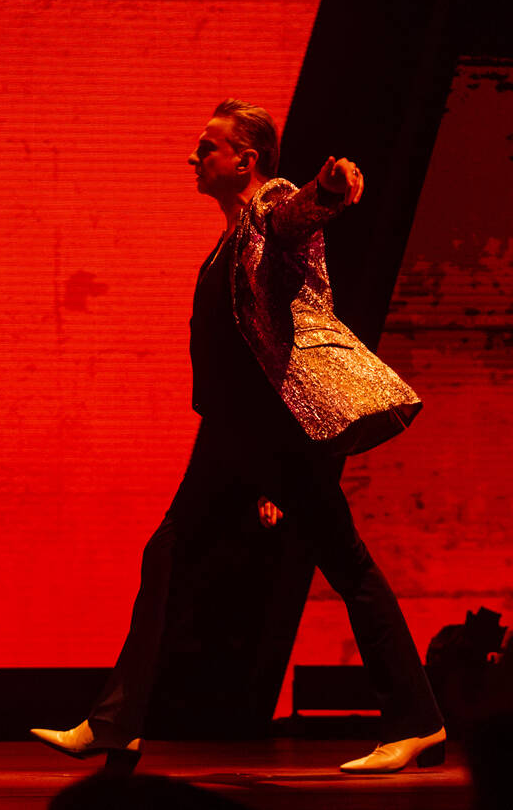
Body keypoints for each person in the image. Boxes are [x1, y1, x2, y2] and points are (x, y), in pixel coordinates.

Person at [30, 100, 444, 774]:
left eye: (207, 148)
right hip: (237, 435)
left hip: (272, 431)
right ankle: (115, 724)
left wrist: (331, 189)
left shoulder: (268, 208)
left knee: (345, 564)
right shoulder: (227, 239)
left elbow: (299, 212)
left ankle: (417, 719)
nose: (194, 159)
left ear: (245, 162)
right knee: (169, 554)